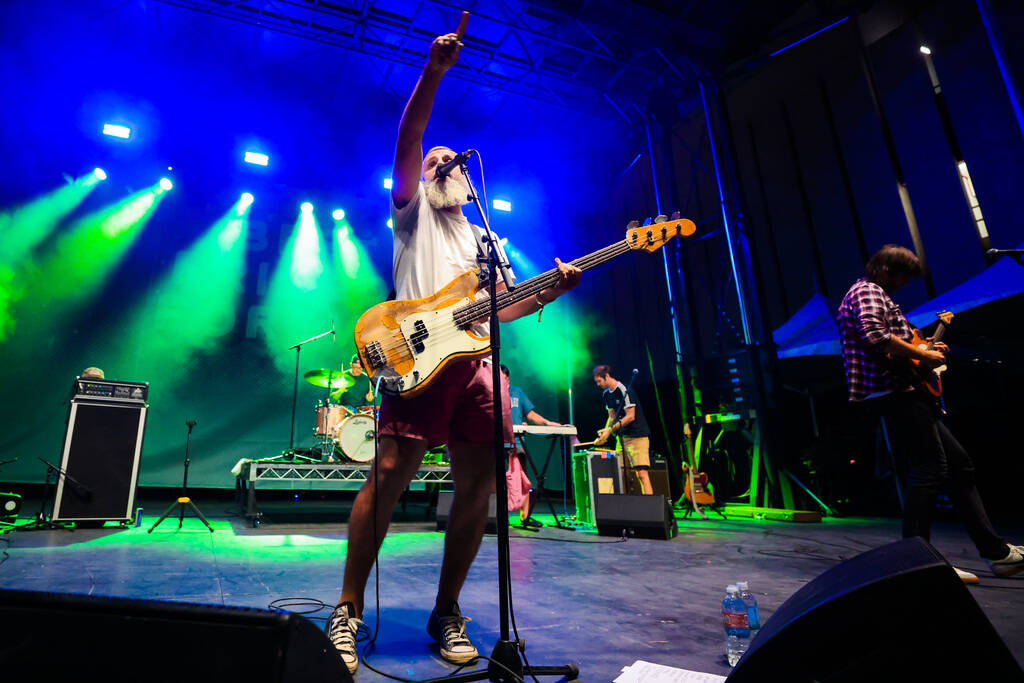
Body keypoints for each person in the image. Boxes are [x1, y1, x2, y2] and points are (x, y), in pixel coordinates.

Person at [324, 28, 582, 675]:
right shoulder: (410, 214)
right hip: (418, 362)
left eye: (451, 163)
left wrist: (552, 288)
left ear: (468, 185)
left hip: (477, 372)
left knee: (477, 488)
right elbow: (409, 139)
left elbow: (504, 310)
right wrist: (433, 74)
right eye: (436, 160)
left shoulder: (483, 243)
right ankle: (347, 610)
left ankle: (447, 610)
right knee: (388, 476)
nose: (442, 163)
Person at [837, 244, 1023, 584]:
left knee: (958, 464)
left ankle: (996, 553)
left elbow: (902, 342)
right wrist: (925, 358)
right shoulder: (866, 290)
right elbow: (876, 337)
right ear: (884, 270)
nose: (904, 284)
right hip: (893, 392)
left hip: (906, 391)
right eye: (903, 277)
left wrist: (927, 348)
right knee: (930, 467)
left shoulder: (878, 294)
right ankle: (914, 561)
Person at [500, 364, 560, 526]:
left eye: (504, 379)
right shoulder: (491, 392)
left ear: (508, 378)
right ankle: (496, 515)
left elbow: (531, 414)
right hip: (497, 443)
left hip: (517, 443)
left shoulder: (517, 393)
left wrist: (548, 423)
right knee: (497, 479)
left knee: (523, 479)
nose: (502, 382)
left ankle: (525, 516)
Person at [592, 365, 653, 495]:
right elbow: (612, 417)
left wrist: (610, 430)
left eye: (599, 381)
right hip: (622, 437)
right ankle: (626, 506)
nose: (598, 384)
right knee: (621, 472)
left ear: (607, 376)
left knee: (641, 473)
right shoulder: (606, 394)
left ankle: (651, 509)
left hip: (637, 435)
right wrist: (605, 432)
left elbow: (630, 416)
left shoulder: (624, 389)